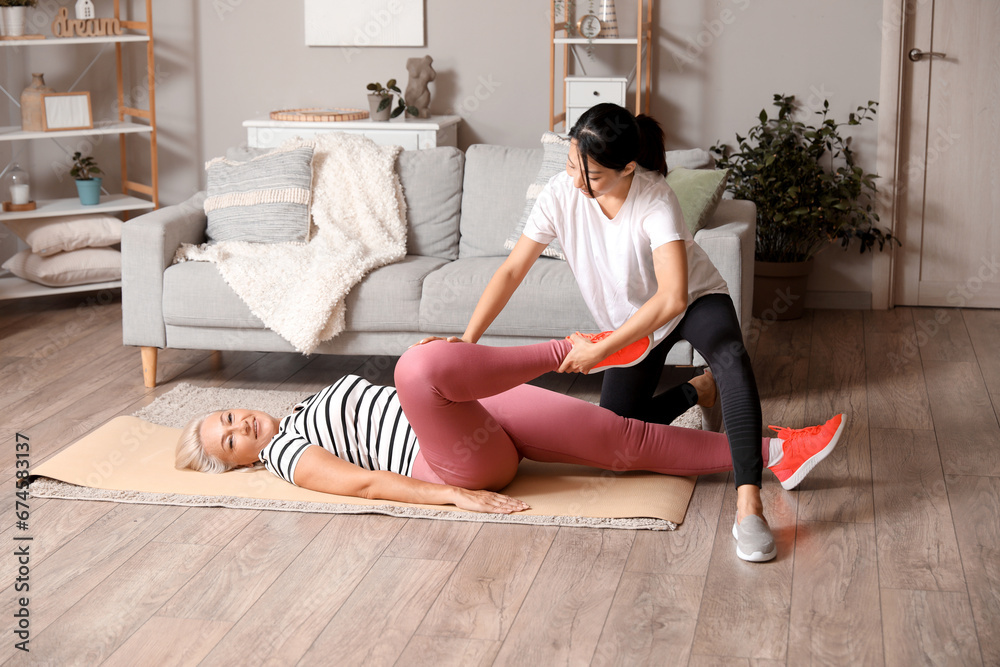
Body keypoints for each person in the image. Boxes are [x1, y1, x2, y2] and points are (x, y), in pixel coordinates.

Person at [452, 103, 779, 560]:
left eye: (593, 175)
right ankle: (696, 391)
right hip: (633, 323)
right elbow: (511, 271)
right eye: (571, 166)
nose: (577, 182)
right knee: (616, 443)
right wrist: (467, 343)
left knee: (729, 354)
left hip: (691, 299)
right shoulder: (561, 193)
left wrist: (600, 349)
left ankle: (750, 505)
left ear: (628, 168)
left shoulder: (654, 198)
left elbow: (672, 298)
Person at [177, 339, 844, 561]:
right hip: (450, 458)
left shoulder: (297, 408)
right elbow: (364, 485)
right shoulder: (289, 453)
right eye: (229, 441)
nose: (243, 428)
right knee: (415, 368)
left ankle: (772, 453)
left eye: (231, 417)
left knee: (620, 437)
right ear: (236, 462)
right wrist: (450, 493)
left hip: (475, 417)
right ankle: (573, 350)